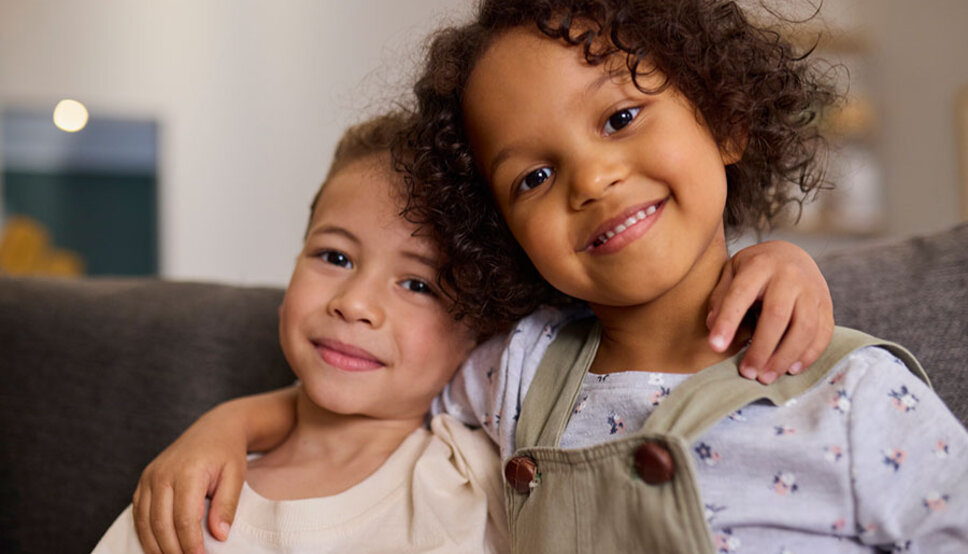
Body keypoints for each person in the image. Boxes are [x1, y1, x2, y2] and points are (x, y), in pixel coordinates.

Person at [396, 0, 968, 551]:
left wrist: (787, 258)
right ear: (504, 234)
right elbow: (385, 402)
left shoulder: (856, 394)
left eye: (620, 118)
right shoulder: (518, 368)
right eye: (535, 176)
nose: (592, 180)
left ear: (726, 121)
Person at [93, 113, 509, 553]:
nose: (353, 303)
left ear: (478, 333)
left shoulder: (475, 483)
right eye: (335, 257)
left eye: (417, 285)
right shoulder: (185, 494)